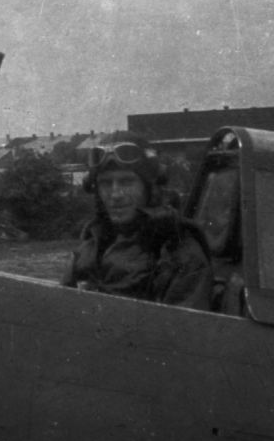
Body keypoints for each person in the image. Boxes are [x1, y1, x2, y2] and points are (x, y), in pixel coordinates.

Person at [62, 132, 213, 310]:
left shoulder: (178, 252)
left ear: (149, 188)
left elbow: (184, 324)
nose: (115, 194)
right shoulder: (89, 247)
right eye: (106, 183)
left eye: (126, 182)